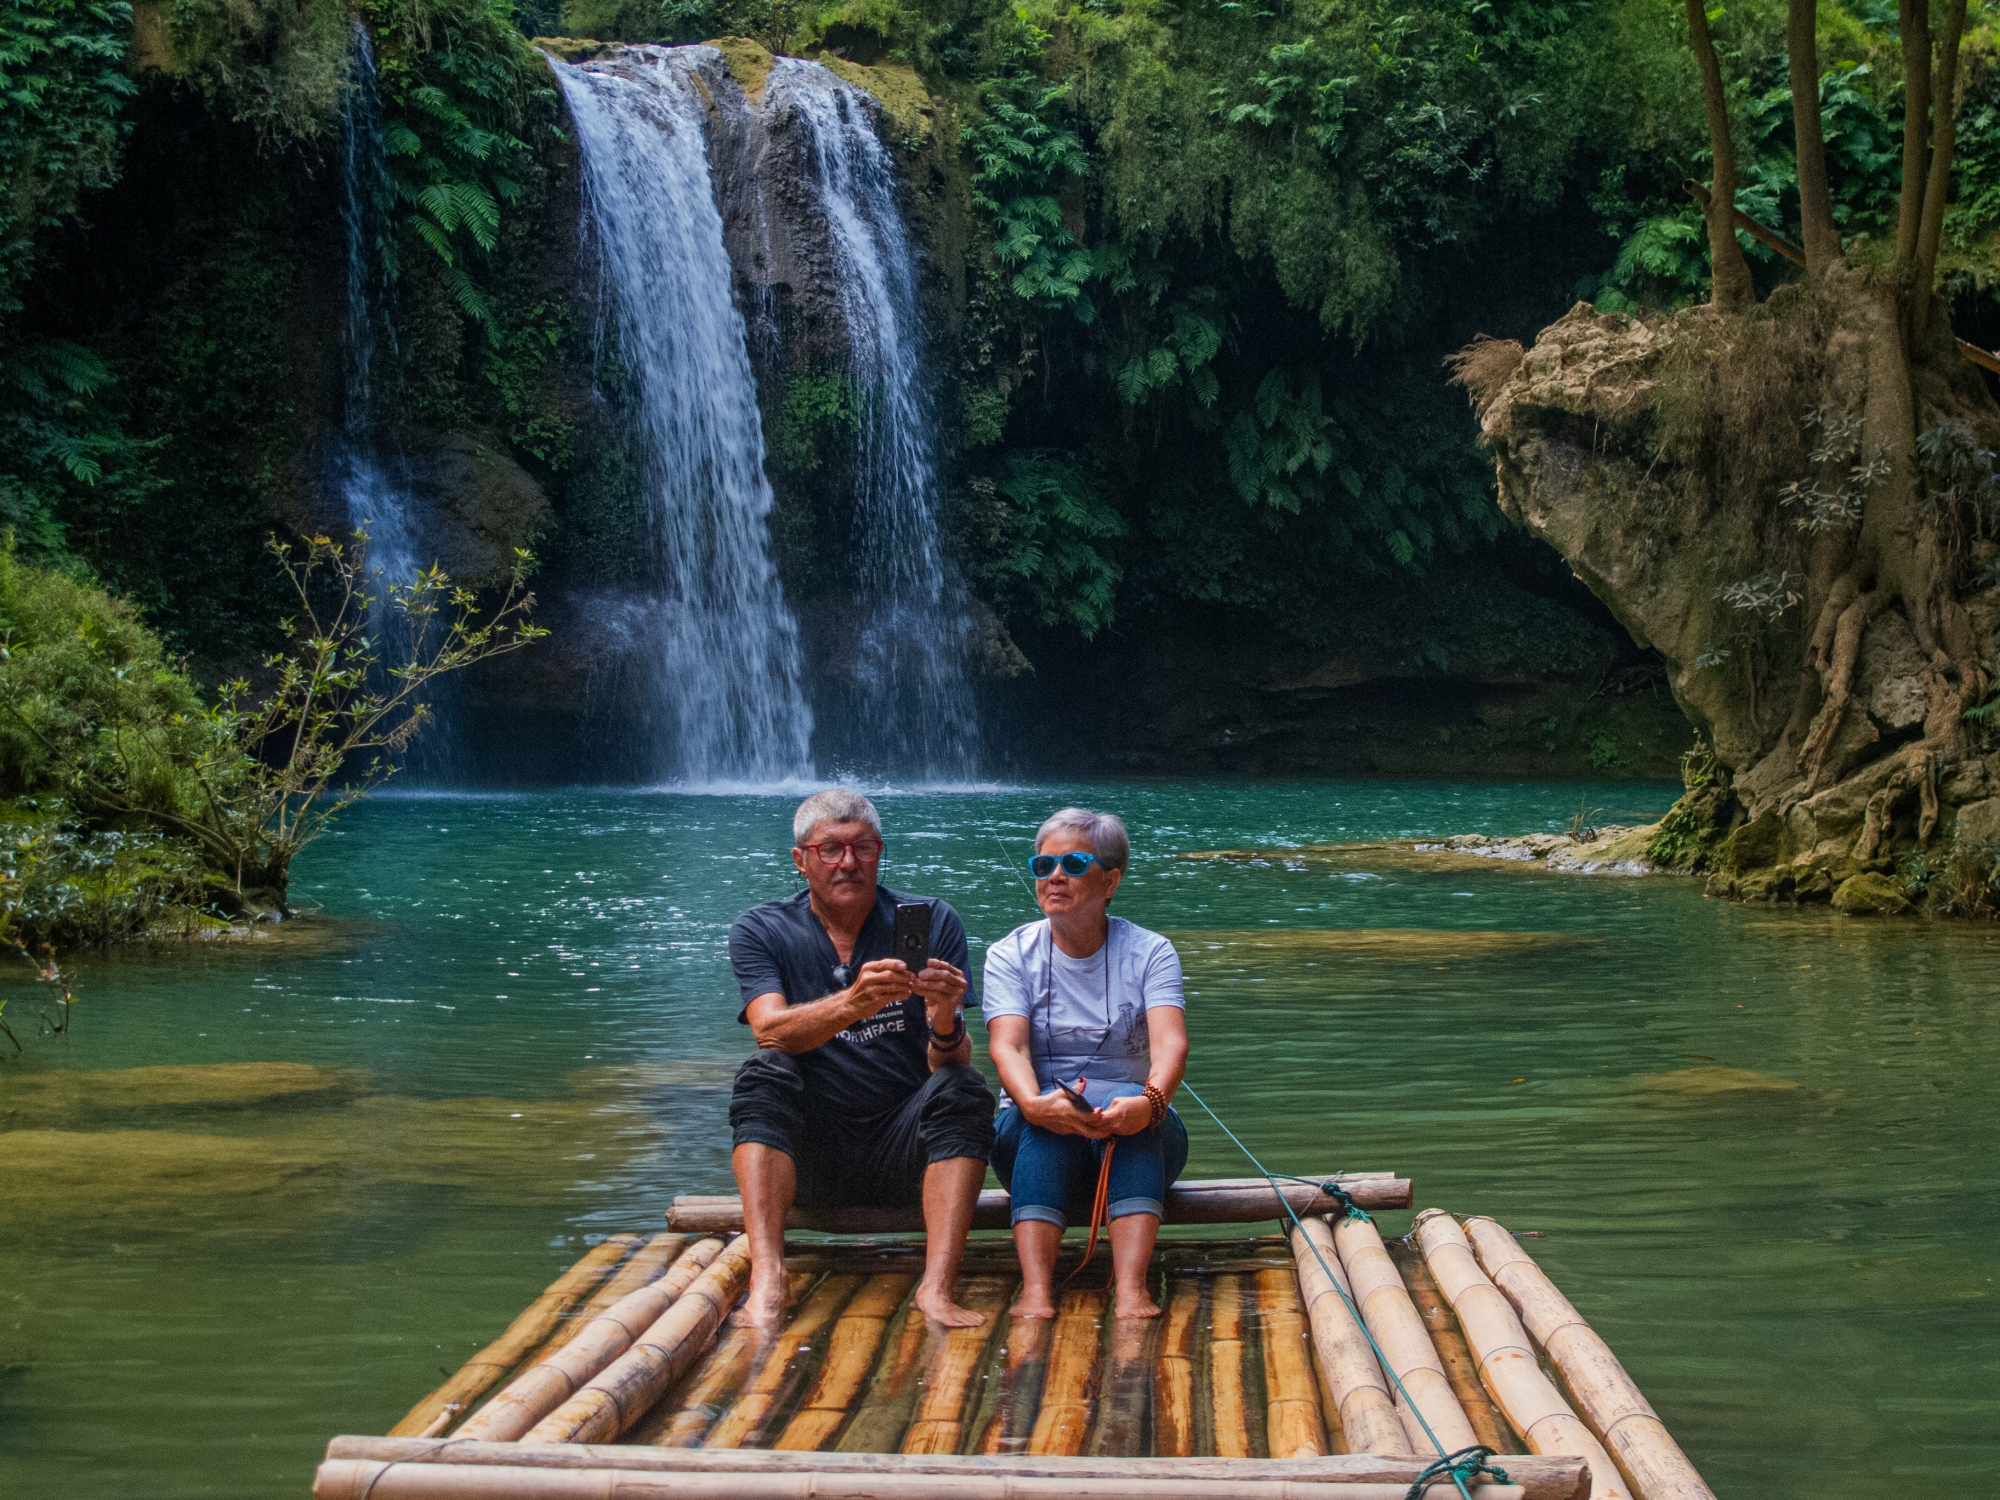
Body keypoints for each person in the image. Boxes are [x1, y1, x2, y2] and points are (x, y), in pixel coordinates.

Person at [727, 789, 996, 1328]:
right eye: (831, 849)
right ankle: (768, 1277)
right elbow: (769, 1031)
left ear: (880, 853)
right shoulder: (761, 929)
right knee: (764, 1073)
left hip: (907, 1153)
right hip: (810, 1158)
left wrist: (944, 1018)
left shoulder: (930, 920)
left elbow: (948, 1062)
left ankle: (936, 1286)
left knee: (965, 1086)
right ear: (800, 859)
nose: (848, 863)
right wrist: (853, 1003)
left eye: (863, 848)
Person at [982, 807, 1189, 1320]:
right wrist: (1032, 1104)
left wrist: (1150, 1100)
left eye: (1073, 864)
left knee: (1135, 1127)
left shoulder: (1151, 952)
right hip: (1030, 1134)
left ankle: (1132, 1291)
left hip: (1135, 1124)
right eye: (1042, 865)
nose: (1054, 876)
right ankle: (1035, 1291)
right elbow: (1008, 1046)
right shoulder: (1009, 954)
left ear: (1110, 880)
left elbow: (1171, 1046)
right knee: (1046, 1125)